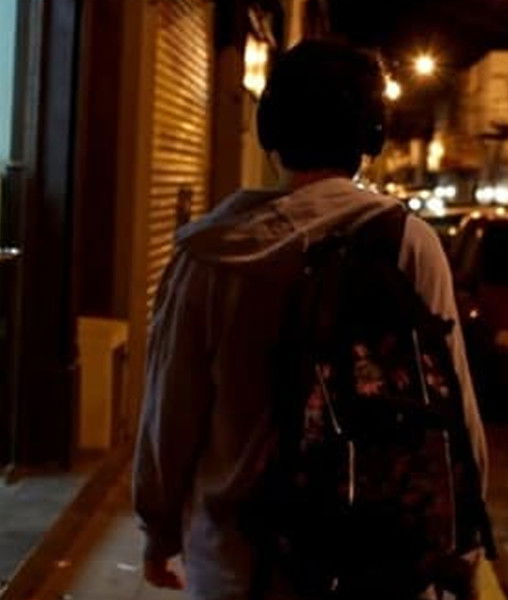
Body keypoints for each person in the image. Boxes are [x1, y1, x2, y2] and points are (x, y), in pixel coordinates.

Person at [133, 40, 488, 600]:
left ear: (268, 129)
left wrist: (159, 529)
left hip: (238, 563)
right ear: (372, 136)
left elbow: (170, 412)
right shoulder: (406, 241)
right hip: (376, 560)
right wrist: (463, 540)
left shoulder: (208, 255)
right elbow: (453, 401)